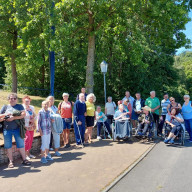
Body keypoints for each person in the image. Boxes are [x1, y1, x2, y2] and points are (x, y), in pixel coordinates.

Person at [0, 93, 31, 168]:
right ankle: (11, 161)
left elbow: (23, 114)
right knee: (8, 146)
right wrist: (6, 116)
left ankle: (24, 159)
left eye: (14, 98)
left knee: (21, 144)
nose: (12, 100)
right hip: (7, 129)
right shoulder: (5, 107)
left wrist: (13, 118)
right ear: (8, 99)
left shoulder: (19, 106)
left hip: (17, 129)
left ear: (16, 99)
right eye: (11, 98)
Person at [22, 95, 36, 160]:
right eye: (26, 101)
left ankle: (28, 153)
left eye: (28, 101)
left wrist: (34, 121)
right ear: (23, 101)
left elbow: (35, 116)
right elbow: (21, 118)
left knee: (30, 140)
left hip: (31, 126)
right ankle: (25, 155)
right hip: (25, 126)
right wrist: (29, 120)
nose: (27, 102)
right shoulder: (22, 108)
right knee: (27, 139)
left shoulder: (31, 108)